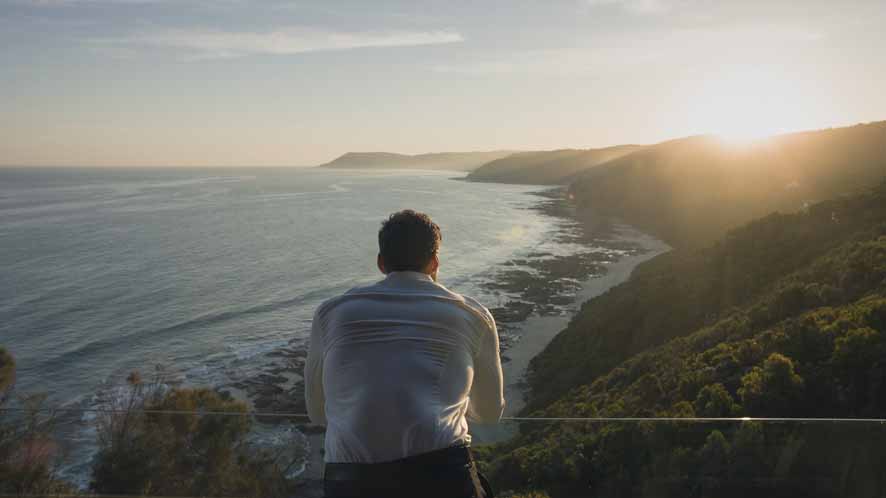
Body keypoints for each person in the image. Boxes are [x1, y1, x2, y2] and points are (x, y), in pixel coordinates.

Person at [305, 209, 505, 498]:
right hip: (443, 477)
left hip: (352, 482)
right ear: (435, 261)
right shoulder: (472, 315)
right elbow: (489, 412)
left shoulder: (330, 313)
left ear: (381, 262)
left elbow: (316, 413)